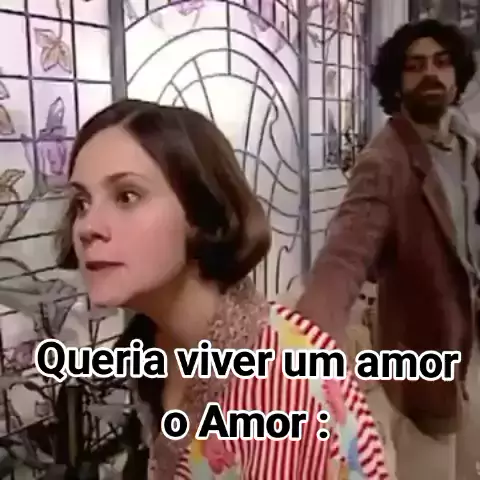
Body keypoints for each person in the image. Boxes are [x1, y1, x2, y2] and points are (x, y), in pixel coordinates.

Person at [55, 99, 389, 479]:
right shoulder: (145, 351)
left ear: (202, 214)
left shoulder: (297, 382)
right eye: (82, 203)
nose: (87, 227)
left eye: (127, 196)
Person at [295, 19, 479, 480]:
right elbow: (344, 256)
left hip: (471, 351)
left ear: (457, 75)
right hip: (423, 361)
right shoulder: (385, 161)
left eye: (441, 62)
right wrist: (306, 341)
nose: (430, 73)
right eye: (414, 66)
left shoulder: (465, 142)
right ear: (396, 84)